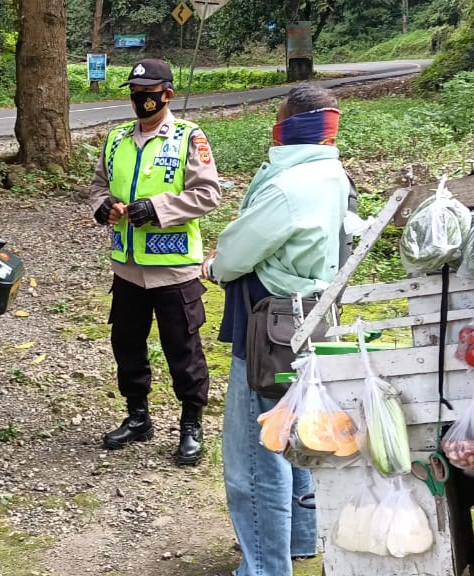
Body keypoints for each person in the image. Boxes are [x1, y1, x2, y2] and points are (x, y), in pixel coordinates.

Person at [203, 84, 353, 575]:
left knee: (256, 452)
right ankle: (298, 540)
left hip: (269, 326)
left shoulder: (289, 187)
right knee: (297, 428)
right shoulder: (333, 173)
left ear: (289, 125)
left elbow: (236, 253)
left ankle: (264, 567)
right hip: (314, 317)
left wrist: (214, 266)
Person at [88, 58, 223, 466]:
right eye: (134, 92)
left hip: (174, 268)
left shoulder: (187, 138)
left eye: (148, 93)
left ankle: (191, 425)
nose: (140, 99)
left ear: (167, 93)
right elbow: (97, 186)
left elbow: (208, 193)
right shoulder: (116, 139)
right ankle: (138, 417)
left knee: (182, 348)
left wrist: (157, 208)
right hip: (127, 266)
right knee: (126, 344)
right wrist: (104, 206)